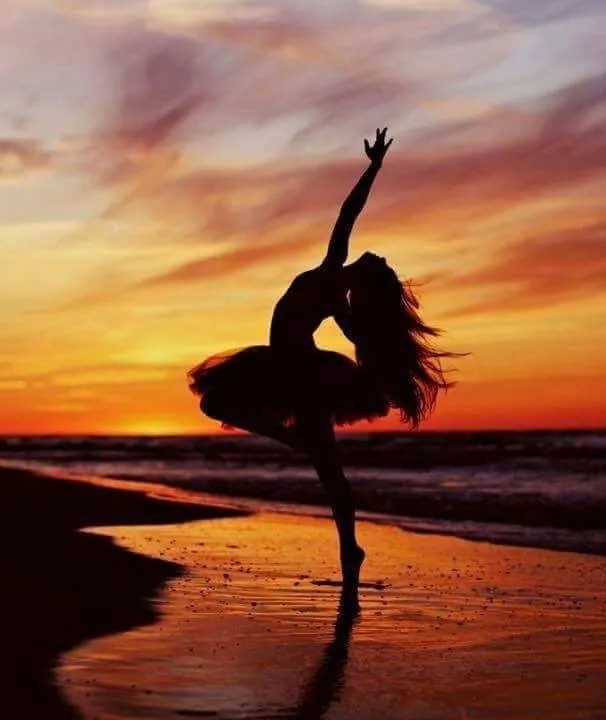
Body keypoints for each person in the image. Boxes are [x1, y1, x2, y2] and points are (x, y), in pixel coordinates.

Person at [188, 129, 452, 601]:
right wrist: (373, 167)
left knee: (319, 466)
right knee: (224, 409)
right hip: (288, 368)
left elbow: (348, 217)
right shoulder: (334, 277)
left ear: (364, 277)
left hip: (299, 373)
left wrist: (374, 168)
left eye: (374, 264)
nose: (371, 255)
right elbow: (349, 213)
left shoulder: (334, 287)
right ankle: (345, 540)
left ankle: (349, 550)